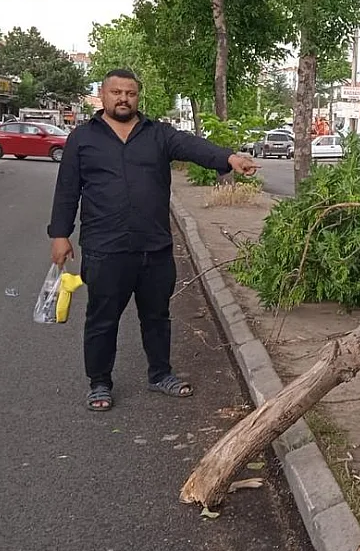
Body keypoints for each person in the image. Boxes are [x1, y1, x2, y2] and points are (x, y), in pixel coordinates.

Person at [47, 68, 259, 411]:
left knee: (157, 316)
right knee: (102, 319)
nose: (123, 98)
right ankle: (99, 382)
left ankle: (161, 374)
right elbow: (67, 190)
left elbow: (191, 146)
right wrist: (60, 234)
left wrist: (229, 158)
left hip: (154, 247)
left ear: (137, 97)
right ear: (102, 96)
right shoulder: (83, 138)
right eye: (116, 92)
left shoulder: (157, 134)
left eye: (130, 93)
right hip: (105, 248)